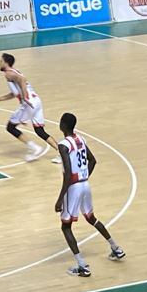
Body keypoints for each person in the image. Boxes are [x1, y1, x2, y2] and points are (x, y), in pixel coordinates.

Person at [55, 113, 125, 277]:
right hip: (85, 184)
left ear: (63, 125)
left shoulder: (63, 145)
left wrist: (60, 199)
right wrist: (84, 177)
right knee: (92, 218)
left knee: (66, 227)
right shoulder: (81, 139)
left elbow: (68, 174)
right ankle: (116, 248)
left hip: (73, 187)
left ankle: (82, 266)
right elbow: (92, 160)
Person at [0, 53, 59, 162]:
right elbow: (15, 93)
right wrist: (0, 98)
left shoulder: (8, 74)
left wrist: (25, 96)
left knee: (10, 127)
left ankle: (34, 148)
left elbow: (22, 79)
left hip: (29, 103)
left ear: (6, 63)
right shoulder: (14, 72)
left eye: (1, 61)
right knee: (40, 131)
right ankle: (62, 153)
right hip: (36, 101)